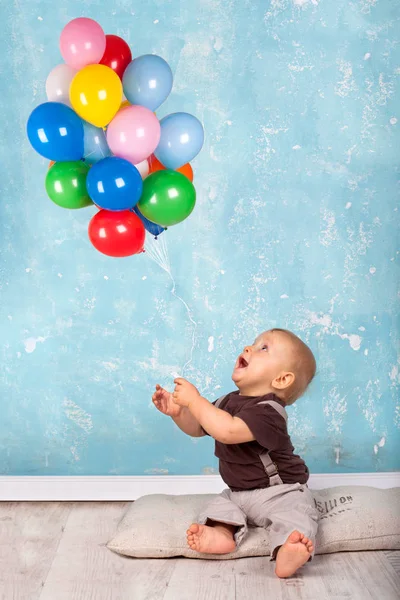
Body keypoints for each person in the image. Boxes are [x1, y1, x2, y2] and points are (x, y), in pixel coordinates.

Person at [152, 328, 319, 578]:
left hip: (279, 491)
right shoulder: (229, 401)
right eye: (252, 343)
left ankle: (288, 549)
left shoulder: (270, 411)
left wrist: (196, 401)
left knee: (296, 513)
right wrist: (179, 413)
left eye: (264, 348)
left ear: (281, 380)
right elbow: (200, 427)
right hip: (238, 493)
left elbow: (227, 431)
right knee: (217, 506)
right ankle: (221, 533)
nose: (248, 348)